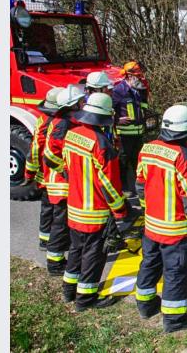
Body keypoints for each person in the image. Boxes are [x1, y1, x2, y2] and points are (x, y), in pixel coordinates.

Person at [134, 105, 187, 333]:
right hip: (175, 231)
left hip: (151, 225)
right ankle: (174, 321)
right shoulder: (184, 158)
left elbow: (140, 185)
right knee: (175, 273)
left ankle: (145, 306)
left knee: (149, 264)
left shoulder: (147, 149)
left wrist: (148, 211)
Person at [59, 92, 128, 309]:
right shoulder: (101, 143)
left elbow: (66, 167)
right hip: (94, 212)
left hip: (74, 206)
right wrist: (120, 211)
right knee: (93, 256)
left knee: (76, 251)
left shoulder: (72, 134)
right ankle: (85, 299)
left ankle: (69, 291)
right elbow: (109, 184)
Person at [42, 85, 86, 276]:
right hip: (61, 183)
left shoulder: (64, 120)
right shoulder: (63, 124)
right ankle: (55, 263)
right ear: (73, 105)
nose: (83, 103)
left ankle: (57, 257)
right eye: (80, 101)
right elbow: (50, 155)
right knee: (60, 223)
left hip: (63, 180)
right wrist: (68, 171)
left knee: (62, 221)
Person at [24, 87, 62, 251]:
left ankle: (45, 239)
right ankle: (47, 241)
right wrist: (29, 173)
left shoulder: (44, 118)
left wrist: (30, 172)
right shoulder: (50, 122)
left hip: (44, 172)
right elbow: (35, 149)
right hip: (49, 173)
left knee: (48, 208)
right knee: (53, 210)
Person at [111, 61, 148, 195]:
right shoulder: (119, 90)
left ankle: (138, 187)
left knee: (137, 160)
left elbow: (143, 107)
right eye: (137, 76)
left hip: (138, 133)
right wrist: (117, 120)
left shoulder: (139, 89)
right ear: (128, 76)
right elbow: (109, 110)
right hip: (124, 135)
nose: (140, 78)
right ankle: (124, 188)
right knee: (123, 161)